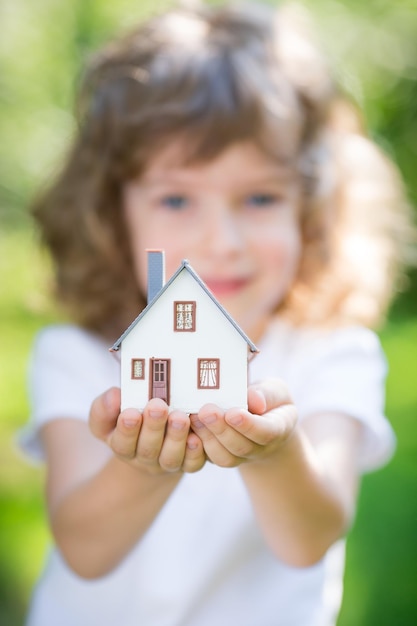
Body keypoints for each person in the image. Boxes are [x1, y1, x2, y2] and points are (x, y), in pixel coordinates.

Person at [19, 1, 413, 625]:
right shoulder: (80, 355)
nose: (223, 240)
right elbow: (84, 549)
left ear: (310, 211)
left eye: (260, 197)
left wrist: (273, 454)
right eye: (177, 199)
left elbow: (312, 537)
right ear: (110, 213)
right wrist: (145, 466)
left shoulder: (331, 353)